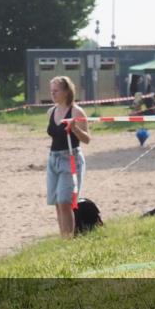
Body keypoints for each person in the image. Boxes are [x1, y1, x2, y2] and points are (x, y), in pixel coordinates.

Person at [45, 76, 91, 239]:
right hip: (53, 159)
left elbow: (87, 139)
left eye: (56, 90)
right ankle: (63, 237)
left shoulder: (77, 111)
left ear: (66, 91)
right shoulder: (51, 111)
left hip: (71, 159)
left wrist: (75, 128)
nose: (53, 94)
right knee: (57, 202)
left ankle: (69, 238)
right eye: (51, 91)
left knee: (65, 201)